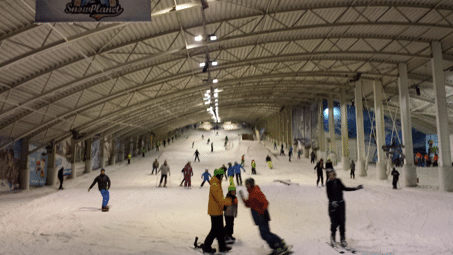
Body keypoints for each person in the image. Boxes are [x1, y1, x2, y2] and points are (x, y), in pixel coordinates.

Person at [239, 178, 289, 254]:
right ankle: (278, 245)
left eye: (247, 184)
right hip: (260, 216)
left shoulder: (256, 192)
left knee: (265, 234)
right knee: (265, 234)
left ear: (251, 184)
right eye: (245, 184)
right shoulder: (252, 192)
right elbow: (249, 204)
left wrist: (261, 212)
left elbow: (265, 203)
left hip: (261, 216)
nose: (246, 185)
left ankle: (279, 245)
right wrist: (243, 199)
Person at [326, 169, 363, 247]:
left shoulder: (338, 181)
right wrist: (332, 202)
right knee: (334, 222)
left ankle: (342, 239)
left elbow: (345, 188)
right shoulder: (328, 183)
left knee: (342, 222)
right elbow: (329, 195)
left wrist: (356, 188)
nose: (332, 176)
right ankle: (332, 238)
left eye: (333, 174)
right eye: (330, 174)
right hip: (333, 206)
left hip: (341, 204)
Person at [202, 169, 232, 254]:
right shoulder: (215, 184)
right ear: (219, 175)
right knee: (215, 230)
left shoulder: (217, 183)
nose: (223, 177)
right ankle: (206, 247)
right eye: (222, 175)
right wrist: (227, 202)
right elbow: (219, 199)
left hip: (217, 210)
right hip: (215, 211)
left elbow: (220, 199)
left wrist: (225, 203)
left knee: (220, 231)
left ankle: (222, 247)